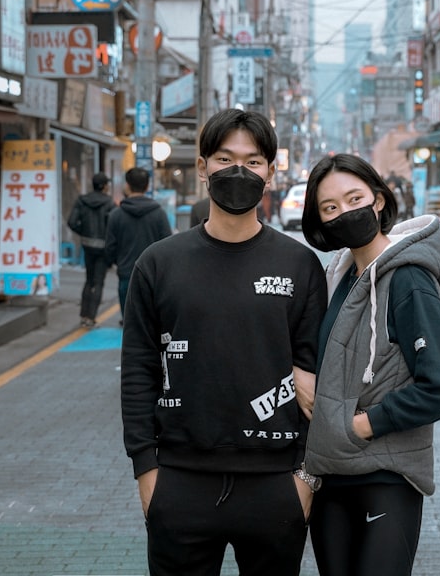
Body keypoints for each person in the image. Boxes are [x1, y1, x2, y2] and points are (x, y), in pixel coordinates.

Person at [120, 108, 328, 576]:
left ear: (271, 173)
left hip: (277, 484)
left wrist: (305, 478)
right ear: (201, 168)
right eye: (224, 158)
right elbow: (138, 369)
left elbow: (318, 375)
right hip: (179, 481)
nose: (238, 171)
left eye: (253, 162)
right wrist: (147, 469)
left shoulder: (299, 265)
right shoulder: (159, 264)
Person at [300, 154, 440, 576]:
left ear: (379, 200)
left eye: (355, 198)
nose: (345, 212)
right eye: (330, 207)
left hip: (386, 478)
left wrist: (361, 425)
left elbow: (438, 386)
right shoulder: (340, 275)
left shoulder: (409, 278)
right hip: (333, 479)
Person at [104, 167, 171, 312]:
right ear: (147, 186)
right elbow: (168, 245)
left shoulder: (116, 215)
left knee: (129, 321)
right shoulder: (159, 214)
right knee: (153, 323)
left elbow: (110, 248)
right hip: (154, 275)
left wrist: (119, 262)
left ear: (127, 185)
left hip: (126, 273)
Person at [67, 172, 116, 328]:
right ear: (104, 186)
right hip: (103, 246)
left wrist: (84, 232)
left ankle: (84, 315)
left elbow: (72, 222)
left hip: (87, 244)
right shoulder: (109, 203)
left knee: (89, 280)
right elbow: (113, 226)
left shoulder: (82, 201)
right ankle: (91, 317)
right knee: (99, 282)